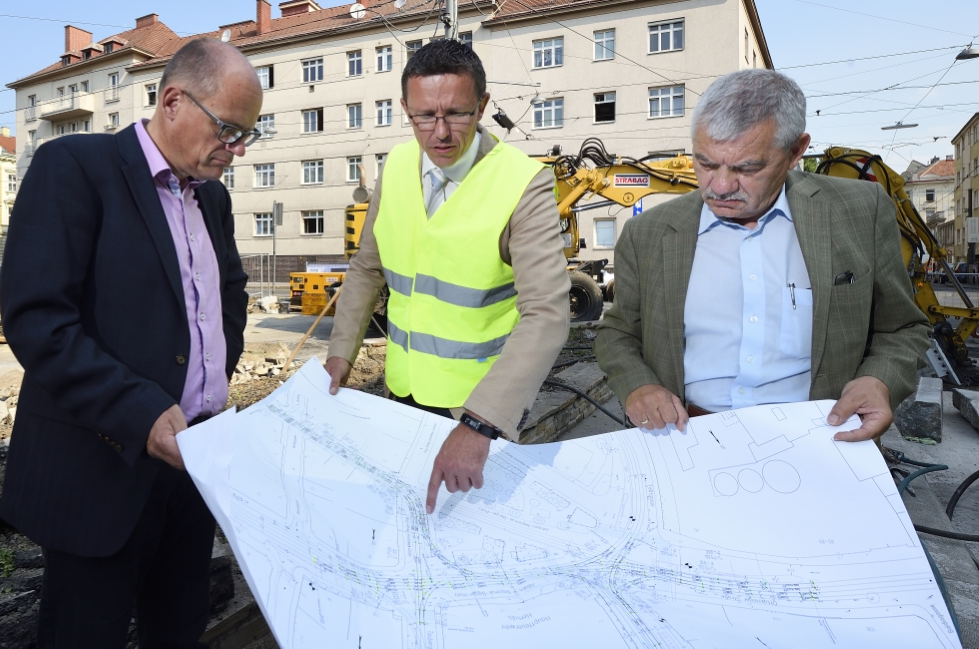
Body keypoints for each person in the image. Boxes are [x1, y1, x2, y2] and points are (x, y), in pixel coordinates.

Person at [0, 39, 260, 647]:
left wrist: (211, 383)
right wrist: (141, 412)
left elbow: (229, 299)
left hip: (192, 465)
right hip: (100, 468)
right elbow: (39, 319)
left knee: (180, 627)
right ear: (173, 101)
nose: (237, 148)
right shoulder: (74, 168)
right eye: (228, 129)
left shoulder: (212, 198)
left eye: (249, 134)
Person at [594, 69, 930, 442]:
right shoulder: (648, 233)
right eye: (705, 163)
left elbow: (902, 327)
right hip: (686, 439)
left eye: (747, 168)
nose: (720, 186)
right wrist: (638, 385)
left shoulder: (859, 211)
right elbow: (618, 333)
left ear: (795, 151)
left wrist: (878, 380)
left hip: (822, 440)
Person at [324, 39, 569, 514]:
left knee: (469, 546)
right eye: (422, 117)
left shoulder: (524, 182)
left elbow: (547, 314)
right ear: (404, 108)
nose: (439, 133)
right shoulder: (395, 167)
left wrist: (479, 424)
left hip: (478, 411)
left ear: (482, 105)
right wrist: (339, 356)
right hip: (401, 393)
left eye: (456, 114)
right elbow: (366, 267)